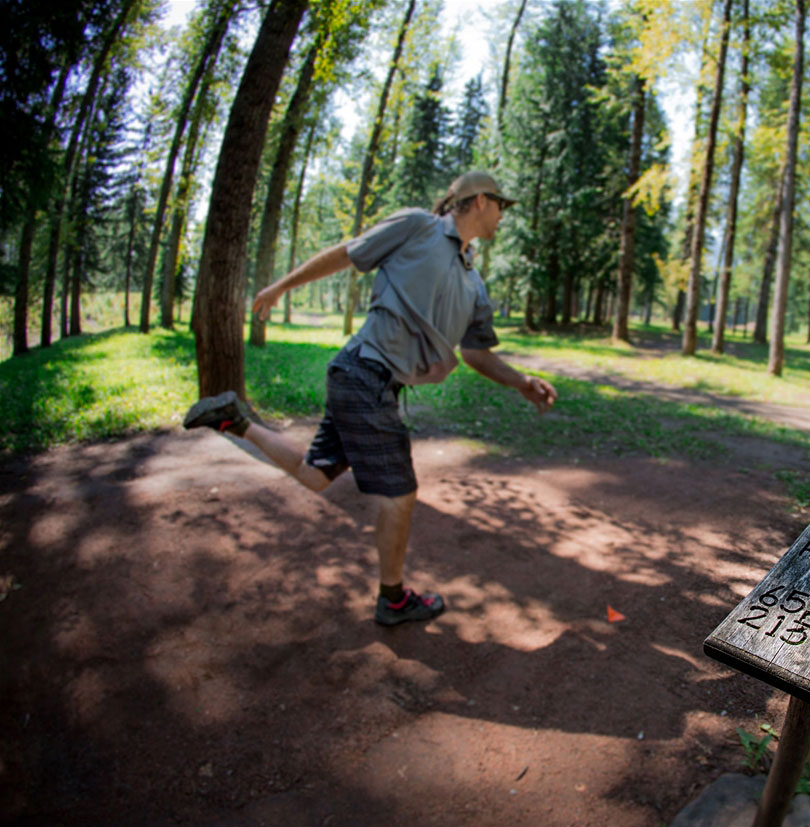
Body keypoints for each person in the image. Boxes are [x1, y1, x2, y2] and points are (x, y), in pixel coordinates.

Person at [182, 171, 557, 626]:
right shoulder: (419, 227)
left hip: (365, 379)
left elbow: (476, 353)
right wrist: (283, 286)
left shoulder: (473, 282)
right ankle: (393, 600)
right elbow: (349, 251)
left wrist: (522, 382)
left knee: (315, 475)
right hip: (365, 372)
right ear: (480, 200)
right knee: (401, 492)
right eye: (502, 204)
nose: (504, 214)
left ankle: (234, 419)